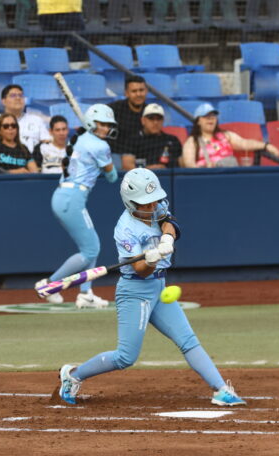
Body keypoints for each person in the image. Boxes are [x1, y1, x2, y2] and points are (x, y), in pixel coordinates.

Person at [57, 168, 247, 407]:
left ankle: (221, 390)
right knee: (125, 357)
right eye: (145, 203)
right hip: (134, 291)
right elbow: (140, 269)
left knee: (188, 340)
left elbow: (170, 223)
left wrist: (167, 239)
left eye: (153, 200)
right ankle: (73, 375)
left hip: (159, 287)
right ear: (131, 202)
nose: (152, 205)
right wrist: (153, 257)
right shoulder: (125, 228)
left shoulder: (157, 206)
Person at [35, 104, 118, 307]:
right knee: (91, 249)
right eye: (102, 124)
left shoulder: (79, 139)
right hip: (72, 198)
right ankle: (49, 285)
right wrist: (105, 167)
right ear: (92, 123)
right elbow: (112, 177)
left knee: (91, 247)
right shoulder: (100, 146)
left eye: (108, 124)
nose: (106, 128)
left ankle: (86, 293)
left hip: (64, 196)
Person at [182, 103, 279, 168]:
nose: (211, 119)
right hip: (208, 179)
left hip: (229, 175)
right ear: (198, 121)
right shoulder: (192, 141)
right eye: (206, 117)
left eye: (213, 116)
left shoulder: (225, 135)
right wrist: (205, 167)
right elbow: (189, 164)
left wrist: (266, 145)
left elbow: (243, 143)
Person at [0, 84, 50, 153]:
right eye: (13, 96)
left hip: (32, 158)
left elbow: (47, 142)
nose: (18, 98)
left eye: (21, 95)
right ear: (3, 101)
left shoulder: (36, 120)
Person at [122, 103, 183, 170]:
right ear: (143, 120)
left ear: (163, 121)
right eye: (151, 118)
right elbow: (127, 165)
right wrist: (148, 169)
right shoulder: (132, 140)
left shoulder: (173, 140)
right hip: (142, 176)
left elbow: (183, 164)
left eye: (159, 119)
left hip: (168, 175)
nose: (155, 122)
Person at [108, 76, 149, 167]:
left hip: (142, 154)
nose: (138, 94)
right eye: (134, 91)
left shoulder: (150, 113)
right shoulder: (113, 109)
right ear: (126, 93)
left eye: (141, 90)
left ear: (146, 91)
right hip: (116, 155)